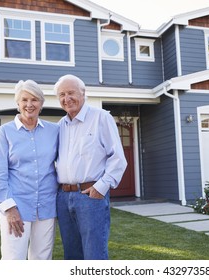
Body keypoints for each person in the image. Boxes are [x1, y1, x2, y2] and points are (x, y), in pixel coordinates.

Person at [54, 74, 127, 260]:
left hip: (90, 196)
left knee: (94, 254)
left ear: (83, 93)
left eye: (71, 92)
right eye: (62, 94)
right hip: (63, 198)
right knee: (71, 255)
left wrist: (101, 187)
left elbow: (118, 158)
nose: (66, 98)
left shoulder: (101, 118)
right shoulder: (60, 126)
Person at [0, 80, 59, 260]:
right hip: (17, 207)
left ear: (41, 104)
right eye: (25, 100)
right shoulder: (5, 132)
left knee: (42, 259)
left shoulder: (54, 131)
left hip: (46, 205)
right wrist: (10, 209)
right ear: (18, 103)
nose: (29, 104)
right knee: (14, 259)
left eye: (35, 99)